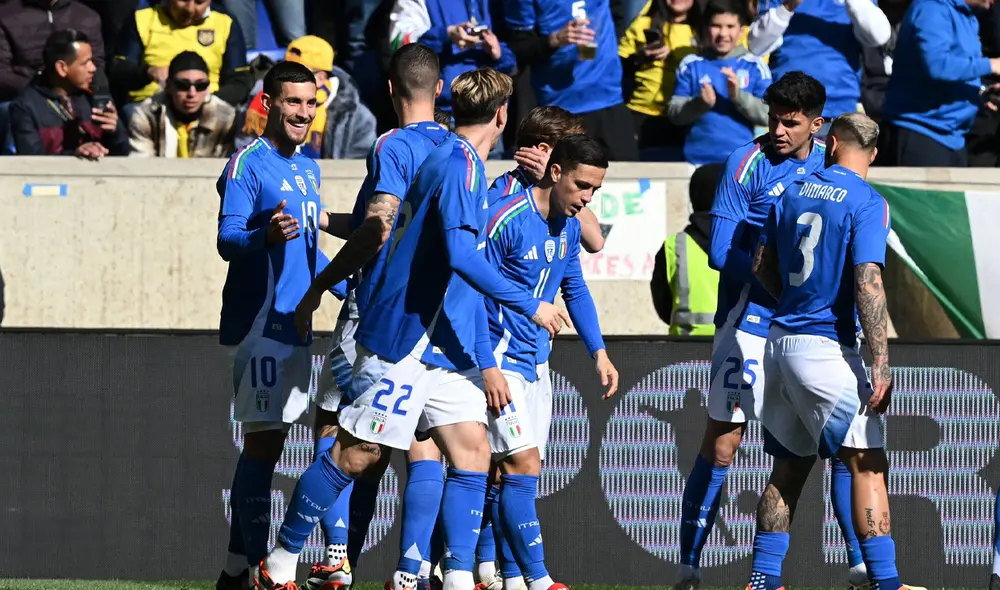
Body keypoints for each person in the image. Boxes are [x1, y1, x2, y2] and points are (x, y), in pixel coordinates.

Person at [255, 67, 569, 590]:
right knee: (356, 452)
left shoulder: (460, 159)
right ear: (502, 115)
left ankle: (459, 578)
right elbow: (462, 255)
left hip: (443, 339)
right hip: (405, 334)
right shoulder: (457, 164)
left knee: (471, 451)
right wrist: (531, 304)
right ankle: (282, 559)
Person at [674, 71, 868, 590]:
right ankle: (688, 568)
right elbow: (720, 252)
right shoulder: (745, 162)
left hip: (809, 331)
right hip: (750, 320)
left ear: (817, 124)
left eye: (791, 123)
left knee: (843, 440)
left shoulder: (833, 161)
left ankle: (857, 564)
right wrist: (782, 289)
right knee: (724, 445)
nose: (778, 131)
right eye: (774, 120)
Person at [747, 113, 922, 590]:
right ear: (874, 154)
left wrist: (793, 301)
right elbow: (868, 281)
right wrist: (881, 361)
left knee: (789, 467)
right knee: (866, 461)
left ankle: (763, 580)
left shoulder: (791, 189)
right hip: (825, 347)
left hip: (779, 342)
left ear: (831, 144)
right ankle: (887, 584)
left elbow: (760, 262)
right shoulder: (868, 201)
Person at [302, 43, 454, 590]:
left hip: (378, 308)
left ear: (389, 90)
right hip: (433, 317)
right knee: (417, 439)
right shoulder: (461, 152)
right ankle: (412, 571)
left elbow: (379, 226)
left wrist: (323, 281)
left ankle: (336, 556)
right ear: (439, 89)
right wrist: (320, 217)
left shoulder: (393, 143)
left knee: (336, 424)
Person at [214, 60, 345, 590]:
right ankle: (261, 574)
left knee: (272, 442)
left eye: (311, 104)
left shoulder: (310, 167)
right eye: (294, 102)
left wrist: (343, 287)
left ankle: (232, 573)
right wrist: (263, 236)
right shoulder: (247, 163)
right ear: (268, 103)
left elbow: (309, 253)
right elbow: (227, 241)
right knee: (264, 445)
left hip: (296, 326)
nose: (304, 113)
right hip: (258, 325)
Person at [477, 133, 620, 590]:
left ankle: (502, 573)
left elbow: (574, 288)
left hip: (536, 362)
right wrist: (486, 365)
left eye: (595, 190)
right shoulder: (507, 217)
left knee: (513, 474)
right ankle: (536, 579)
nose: (587, 198)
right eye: (582, 186)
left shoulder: (569, 226)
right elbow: (470, 292)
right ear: (554, 172)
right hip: (498, 358)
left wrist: (598, 352)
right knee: (523, 465)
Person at [504, 0, 638, 161]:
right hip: (562, 107)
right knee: (566, 180)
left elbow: (618, 14)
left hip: (609, 98)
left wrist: (608, 48)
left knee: (626, 178)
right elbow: (516, 48)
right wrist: (554, 40)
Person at [879, 0, 1000, 166]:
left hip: (954, 138)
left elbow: (959, 70)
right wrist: (991, 65)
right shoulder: (931, 8)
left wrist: (980, 93)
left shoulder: (968, 17)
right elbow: (937, 65)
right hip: (920, 134)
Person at [748, 0, 891, 136]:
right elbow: (756, 46)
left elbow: (878, 36)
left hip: (840, 112)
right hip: (789, 111)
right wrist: (787, 7)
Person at [239, 35, 377, 160]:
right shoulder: (262, 101)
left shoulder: (354, 115)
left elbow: (360, 165)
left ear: (321, 79)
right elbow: (245, 149)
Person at [668, 0, 771, 166]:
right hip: (695, 163)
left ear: (741, 31)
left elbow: (768, 115)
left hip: (741, 164)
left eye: (730, 26)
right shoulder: (691, 64)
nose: (723, 33)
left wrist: (738, 96)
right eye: (716, 25)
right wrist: (700, 103)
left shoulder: (755, 66)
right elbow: (674, 114)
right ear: (705, 28)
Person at [492, 106, 606, 254]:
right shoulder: (505, 194)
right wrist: (551, 177)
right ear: (544, 151)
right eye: (574, 151)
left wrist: (554, 179)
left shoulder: (562, 196)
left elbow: (596, 242)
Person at [10, 28, 126, 158]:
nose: (93, 68)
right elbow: (31, 163)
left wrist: (115, 134)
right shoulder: (26, 106)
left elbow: (123, 155)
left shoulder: (97, 97)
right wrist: (73, 156)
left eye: (92, 61)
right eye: (85, 63)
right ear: (62, 68)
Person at [111, 0, 252, 107]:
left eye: (199, 2)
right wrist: (147, 72)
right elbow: (118, 71)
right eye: (183, 0)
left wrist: (207, 101)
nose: (189, 9)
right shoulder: (142, 19)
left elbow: (239, 81)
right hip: (151, 107)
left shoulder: (225, 23)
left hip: (208, 107)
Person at [649, 163, 722, 334]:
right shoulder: (747, 243)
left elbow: (662, 304)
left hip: (685, 350)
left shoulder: (674, 246)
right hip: (735, 350)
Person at [129, 51, 237, 157]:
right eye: (182, 85)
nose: (192, 93)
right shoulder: (147, 116)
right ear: (168, 86)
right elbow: (141, 166)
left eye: (201, 85)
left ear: (208, 88)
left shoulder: (226, 118)